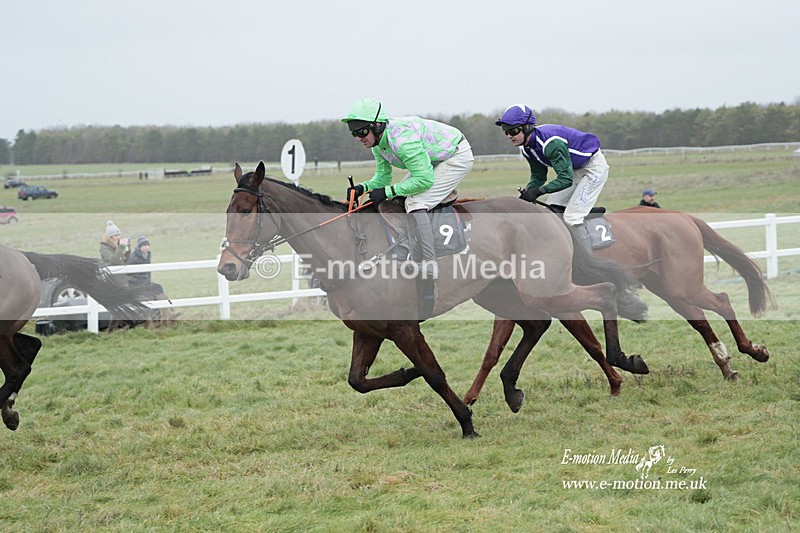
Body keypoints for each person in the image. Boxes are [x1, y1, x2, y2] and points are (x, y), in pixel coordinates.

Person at [342, 97, 474, 277]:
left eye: (362, 131)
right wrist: (363, 188)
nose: (359, 138)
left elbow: (424, 180)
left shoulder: (402, 141)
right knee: (395, 198)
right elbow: (383, 178)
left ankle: (429, 263)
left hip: (456, 156)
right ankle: (405, 246)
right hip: (432, 160)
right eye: (354, 133)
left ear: (378, 125)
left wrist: (388, 191)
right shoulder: (378, 145)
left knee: (415, 201)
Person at [495, 104, 608, 250]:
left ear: (527, 127)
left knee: (572, 217)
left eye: (513, 130)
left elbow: (565, 179)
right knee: (551, 212)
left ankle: (586, 261)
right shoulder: (526, 149)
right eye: (506, 131)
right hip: (573, 169)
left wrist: (539, 191)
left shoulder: (551, 144)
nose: (510, 135)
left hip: (593, 168)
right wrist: (529, 192)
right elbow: (538, 176)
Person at [127, 235, 176, 321]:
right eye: (143, 245)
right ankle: (167, 314)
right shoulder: (133, 258)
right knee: (157, 288)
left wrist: (148, 281)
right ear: (139, 247)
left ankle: (170, 312)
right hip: (136, 284)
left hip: (145, 282)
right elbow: (127, 276)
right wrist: (140, 282)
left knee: (158, 288)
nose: (146, 247)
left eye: (147, 245)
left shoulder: (147, 255)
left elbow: (148, 272)